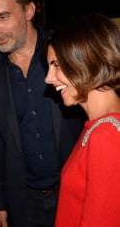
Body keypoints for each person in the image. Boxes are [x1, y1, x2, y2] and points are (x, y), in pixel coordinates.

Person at [0, 0, 85, 227]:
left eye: (2, 17)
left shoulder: (66, 50)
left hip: (76, 190)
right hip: (23, 200)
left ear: (29, 11)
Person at [45, 13, 120, 226]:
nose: (48, 78)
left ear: (85, 61)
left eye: (56, 65)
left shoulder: (107, 135)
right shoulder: (98, 126)